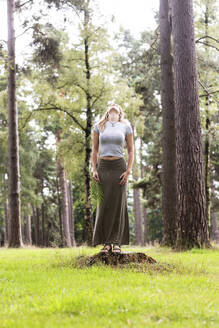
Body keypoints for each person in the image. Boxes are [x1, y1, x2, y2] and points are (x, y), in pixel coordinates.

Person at [91, 103, 134, 253]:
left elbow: (130, 150)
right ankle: (106, 243)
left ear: (120, 112)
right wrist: (94, 169)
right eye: (111, 107)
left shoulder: (126, 127)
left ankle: (117, 243)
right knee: (103, 205)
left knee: (118, 205)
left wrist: (128, 171)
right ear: (108, 112)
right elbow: (95, 149)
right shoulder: (99, 126)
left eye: (116, 108)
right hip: (103, 167)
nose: (114, 109)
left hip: (119, 167)